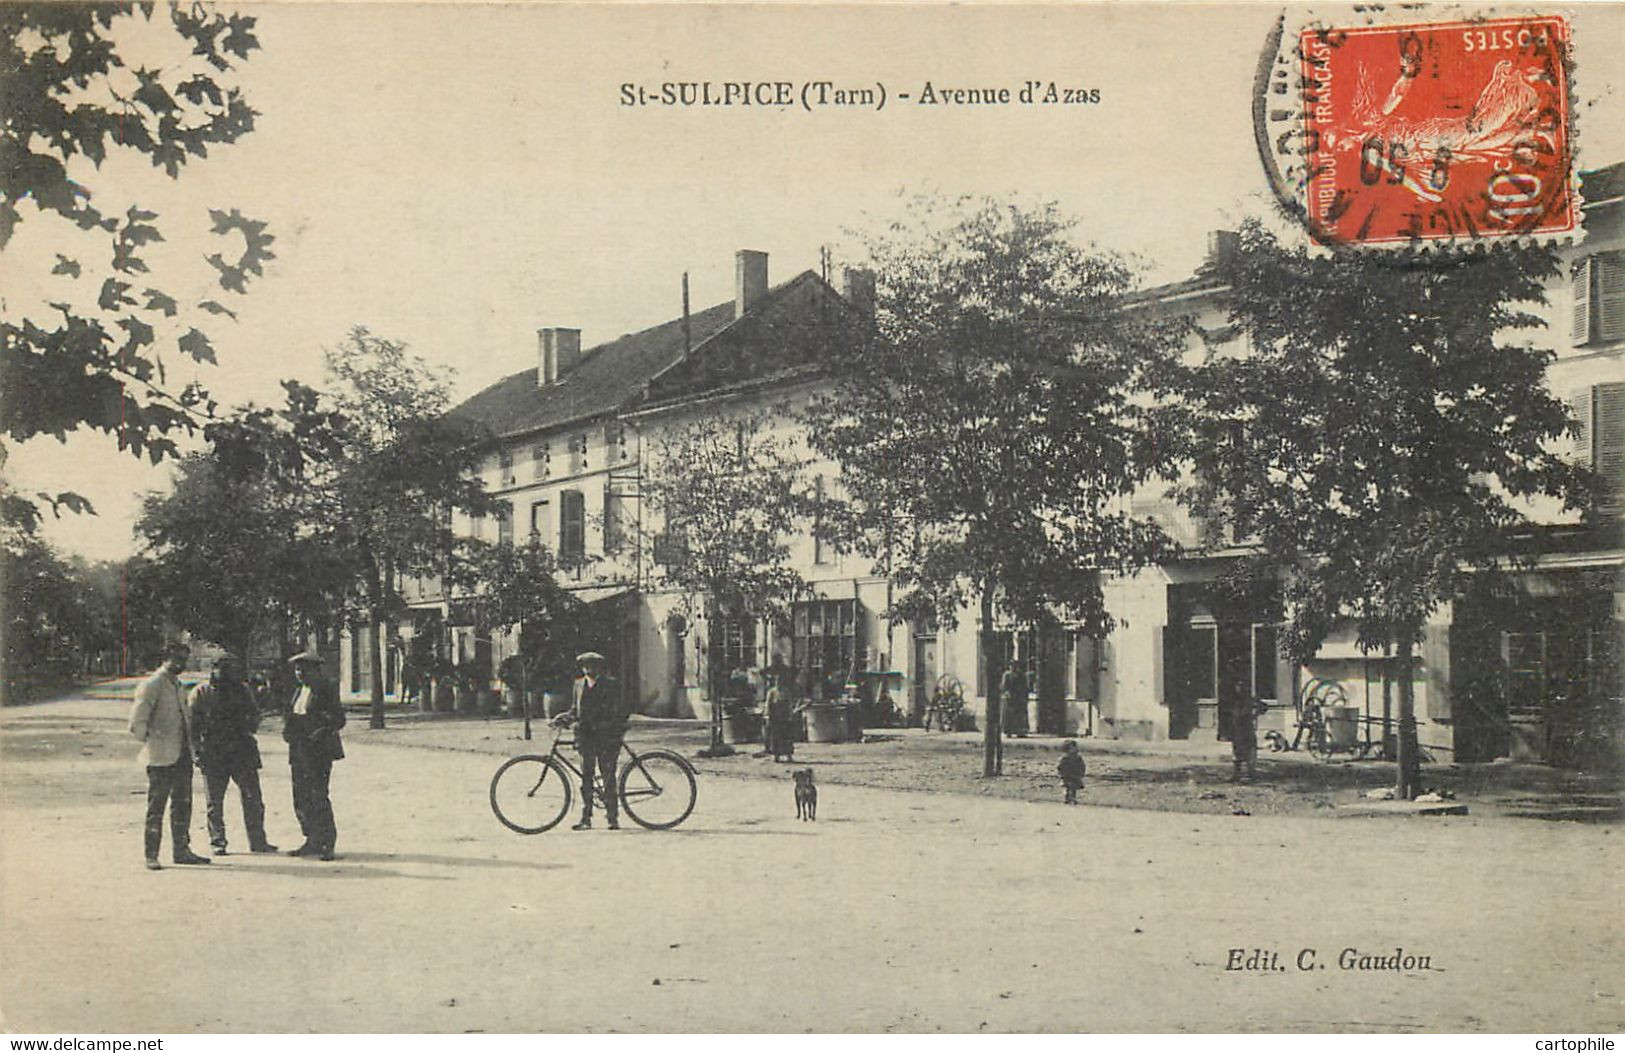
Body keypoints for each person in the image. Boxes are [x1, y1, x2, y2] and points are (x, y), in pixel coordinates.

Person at [128, 644, 211, 869]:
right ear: (164, 658)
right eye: (175, 659)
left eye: (183, 660)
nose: (180, 664)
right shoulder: (152, 685)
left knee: (183, 805)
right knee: (157, 806)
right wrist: (153, 744)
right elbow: (136, 723)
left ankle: (181, 850)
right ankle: (151, 855)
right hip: (160, 757)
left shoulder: (178, 686)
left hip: (183, 754)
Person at [189, 653, 277, 856]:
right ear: (213, 669)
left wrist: (249, 725)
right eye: (222, 668)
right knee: (214, 802)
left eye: (231, 668)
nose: (227, 673)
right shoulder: (201, 693)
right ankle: (218, 842)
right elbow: (192, 726)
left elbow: (255, 714)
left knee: (253, 798)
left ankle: (258, 840)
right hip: (214, 752)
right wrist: (196, 752)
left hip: (242, 750)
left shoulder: (243, 690)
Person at [283, 651, 345, 860]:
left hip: (318, 751)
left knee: (318, 795)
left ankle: (327, 843)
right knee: (300, 797)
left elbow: (339, 718)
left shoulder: (326, 689)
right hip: (299, 750)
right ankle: (311, 839)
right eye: (297, 669)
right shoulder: (298, 691)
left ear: (315, 670)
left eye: (304, 669)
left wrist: (322, 729)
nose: (299, 673)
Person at [562, 651, 626, 830]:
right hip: (586, 738)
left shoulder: (610, 685)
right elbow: (575, 710)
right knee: (586, 778)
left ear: (599, 668)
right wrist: (564, 718)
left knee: (608, 777)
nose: (589, 669)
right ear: (582, 667)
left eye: (592, 666)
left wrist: (611, 727)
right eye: (585, 666)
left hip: (606, 738)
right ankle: (586, 818)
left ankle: (612, 818)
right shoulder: (578, 685)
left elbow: (619, 710)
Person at [1000, 663, 1030, 738]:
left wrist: (1025, 696)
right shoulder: (1007, 675)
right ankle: (1008, 731)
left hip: (1019, 698)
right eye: (1011, 666)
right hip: (1010, 698)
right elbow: (1004, 686)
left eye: (1015, 666)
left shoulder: (1021, 675)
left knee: (1019, 716)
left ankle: (1020, 731)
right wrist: (1007, 693)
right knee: (1009, 716)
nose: (1013, 667)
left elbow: (1025, 686)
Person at [1058, 739, 1086, 804]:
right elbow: (1060, 766)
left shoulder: (1078, 757)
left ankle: (1073, 798)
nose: (1075, 749)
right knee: (1068, 787)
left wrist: (1082, 772)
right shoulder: (1064, 758)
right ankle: (1067, 798)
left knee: (1074, 787)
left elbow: (1082, 765)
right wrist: (1061, 774)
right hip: (1067, 775)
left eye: (1075, 747)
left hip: (1075, 774)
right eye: (1073, 748)